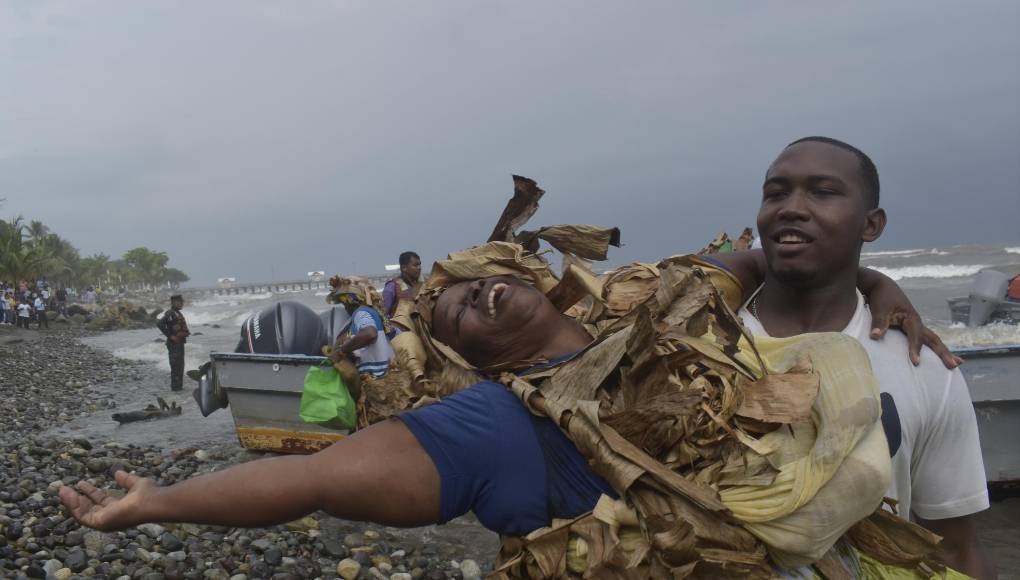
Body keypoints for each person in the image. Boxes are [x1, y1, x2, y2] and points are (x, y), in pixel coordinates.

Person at [716, 137, 993, 578]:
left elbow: (955, 549)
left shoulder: (924, 369)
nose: (791, 207)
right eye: (776, 192)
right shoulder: (701, 341)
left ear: (871, 225)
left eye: (823, 191)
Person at [327, 280, 395, 378]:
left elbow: (370, 333)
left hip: (376, 377)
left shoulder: (361, 313)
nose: (345, 308)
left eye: (344, 304)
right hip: (388, 374)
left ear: (350, 301)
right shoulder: (374, 312)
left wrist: (341, 351)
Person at [382, 251, 422, 331]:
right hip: (402, 337)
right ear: (404, 268)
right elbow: (383, 314)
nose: (419, 268)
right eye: (415, 265)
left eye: (419, 264)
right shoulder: (392, 287)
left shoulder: (423, 286)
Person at [157, 295, 190, 391]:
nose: (181, 304)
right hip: (174, 344)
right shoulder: (170, 313)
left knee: (180, 365)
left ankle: (179, 387)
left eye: (182, 302)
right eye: (179, 302)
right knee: (176, 366)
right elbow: (159, 324)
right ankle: (175, 388)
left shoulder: (177, 313)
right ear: (174, 303)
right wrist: (170, 336)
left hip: (179, 343)